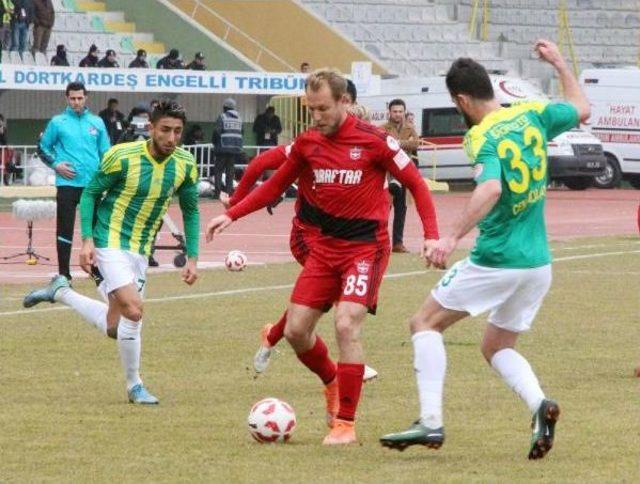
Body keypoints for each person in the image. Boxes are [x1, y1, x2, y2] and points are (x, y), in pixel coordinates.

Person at [378, 39, 590, 460]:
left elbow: (490, 187)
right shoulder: (532, 113)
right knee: (497, 346)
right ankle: (539, 406)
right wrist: (561, 64)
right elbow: (581, 108)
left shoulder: (481, 137)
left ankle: (431, 422)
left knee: (423, 323)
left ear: (460, 99)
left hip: (498, 259)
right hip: (538, 264)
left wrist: (450, 238)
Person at [206, 69, 439, 445]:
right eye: (311, 109)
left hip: (365, 247)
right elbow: (275, 186)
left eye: (323, 108)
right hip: (325, 247)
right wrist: (231, 213)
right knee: (297, 331)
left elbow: (415, 183)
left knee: (347, 324)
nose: (316, 116)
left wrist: (431, 236)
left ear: (345, 102)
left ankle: (345, 423)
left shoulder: (375, 141)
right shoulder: (308, 143)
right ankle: (331, 381)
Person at [23, 101, 200, 405]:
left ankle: (60, 291)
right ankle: (135, 386)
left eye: (178, 132)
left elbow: (191, 210)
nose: (172, 138)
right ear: (151, 128)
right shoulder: (123, 156)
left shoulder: (184, 163)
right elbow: (91, 194)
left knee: (115, 327)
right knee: (134, 309)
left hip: (141, 248)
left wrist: (193, 257)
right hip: (109, 240)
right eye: (165, 130)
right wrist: (87, 241)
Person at [223, 100, 380, 383]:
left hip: (342, 240)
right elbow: (261, 163)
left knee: (320, 302)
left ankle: (272, 335)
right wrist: (235, 202)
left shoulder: (366, 152)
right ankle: (342, 366)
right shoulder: (309, 145)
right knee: (329, 296)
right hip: (308, 236)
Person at [37, 82, 111, 280]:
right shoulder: (57, 122)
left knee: (96, 229)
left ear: (86, 97)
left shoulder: (97, 122)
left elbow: (107, 153)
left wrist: (106, 178)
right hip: (67, 184)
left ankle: (97, 271)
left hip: (93, 186)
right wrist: (56, 165)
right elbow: (43, 147)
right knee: (65, 229)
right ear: (66, 98)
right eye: (72, 98)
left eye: (80, 98)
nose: (76, 102)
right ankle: (64, 274)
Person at [382, 98, 421, 254]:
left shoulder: (410, 128)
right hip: (387, 175)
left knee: (401, 209)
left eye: (400, 111)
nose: (398, 114)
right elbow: (382, 144)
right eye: (395, 111)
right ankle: (381, 242)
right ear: (389, 112)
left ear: (404, 112)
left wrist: (397, 142)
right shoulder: (382, 128)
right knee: (384, 208)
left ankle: (398, 243)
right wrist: (405, 142)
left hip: (404, 173)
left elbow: (416, 144)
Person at [211, 97, 243, 197]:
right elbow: (242, 132)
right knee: (230, 171)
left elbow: (217, 131)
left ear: (225, 107)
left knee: (218, 171)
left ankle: (217, 193)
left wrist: (214, 143)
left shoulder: (222, 117)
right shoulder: (239, 119)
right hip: (234, 149)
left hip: (222, 147)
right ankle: (229, 193)